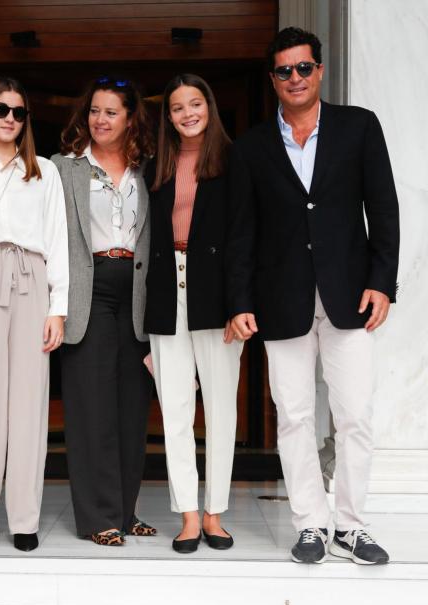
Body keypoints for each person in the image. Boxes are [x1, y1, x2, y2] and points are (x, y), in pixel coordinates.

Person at [230, 27, 399, 564]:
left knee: (354, 415)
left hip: (350, 293)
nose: (295, 78)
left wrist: (382, 281)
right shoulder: (254, 146)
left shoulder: (358, 127)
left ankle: (351, 525)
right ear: (273, 79)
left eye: (304, 68)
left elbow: (385, 208)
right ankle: (311, 524)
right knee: (295, 415)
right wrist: (240, 299)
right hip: (282, 299)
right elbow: (242, 230)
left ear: (320, 71)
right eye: (284, 71)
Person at [145, 74, 251, 553]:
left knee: (222, 410)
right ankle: (188, 514)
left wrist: (240, 304)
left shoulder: (234, 160)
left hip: (218, 296)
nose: (187, 114)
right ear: (167, 117)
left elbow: (245, 236)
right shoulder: (157, 165)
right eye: (176, 108)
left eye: (194, 104)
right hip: (169, 292)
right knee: (176, 411)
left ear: (209, 106)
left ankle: (215, 513)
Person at [0, 77, 68, 553]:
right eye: (1, 108)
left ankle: (25, 517)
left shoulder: (43, 170)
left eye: (19, 112)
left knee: (28, 405)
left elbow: (58, 239)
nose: (9, 118)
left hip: (32, 279)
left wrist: (58, 307)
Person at [51, 77, 156, 546]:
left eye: (112, 111)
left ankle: (126, 508)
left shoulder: (148, 170)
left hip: (135, 294)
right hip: (86, 291)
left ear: (130, 118)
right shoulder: (63, 168)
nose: (100, 119)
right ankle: (99, 518)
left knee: (132, 408)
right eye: (94, 110)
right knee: (90, 407)